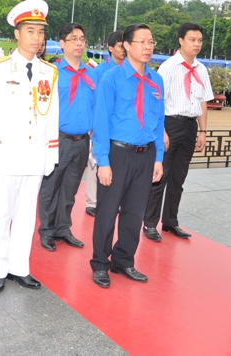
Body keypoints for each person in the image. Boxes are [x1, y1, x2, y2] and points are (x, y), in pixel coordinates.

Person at [0, 0, 59, 293]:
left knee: (27, 215)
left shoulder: (48, 72)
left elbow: (52, 115)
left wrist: (52, 153)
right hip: (7, 155)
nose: (36, 38)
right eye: (30, 31)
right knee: (3, 214)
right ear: (17, 33)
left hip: (35, 156)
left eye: (40, 32)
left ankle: (19, 268)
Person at [90, 24, 164, 289]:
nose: (147, 47)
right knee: (108, 212)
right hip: (118, 153)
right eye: (141, 42)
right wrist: (104, 162)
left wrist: (159, 158)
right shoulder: (112, 78)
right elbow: (101, 123)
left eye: (151, 42)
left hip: (146, 155)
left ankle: (124, 259)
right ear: (126, 46)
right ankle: (100, 263)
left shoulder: (156, 80)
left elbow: (158, 122)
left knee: (135, 213)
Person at [143, 23, 214, 242]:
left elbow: (203, 102)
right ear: (181, 41)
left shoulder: (201, 69)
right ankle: (150, 223)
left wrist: (203, 132)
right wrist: (161, 131)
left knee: (178, 178)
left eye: (200, 40)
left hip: (190, 125)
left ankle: (170, 221)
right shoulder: (168, 67)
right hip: (170, 124)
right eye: (192, 39)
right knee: (160, 176)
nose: (197, 44)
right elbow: (158, 102)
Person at [38, 23, 96, 252]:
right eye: (74, 39)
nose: (79, 43)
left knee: (71, 187)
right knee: (50, 187)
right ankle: (47, 230)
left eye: (82, 38)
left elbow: (95, 106)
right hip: (58, 139)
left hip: (82, 141)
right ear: (62, 44)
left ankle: (63, 227)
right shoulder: (50, 72)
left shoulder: (91, 73)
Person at [84, 30, 125, 217]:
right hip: (100, 125)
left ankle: (112, 200)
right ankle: (92, 202)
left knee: (114, 163)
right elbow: (93, 100)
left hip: (118, 127)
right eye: (120, 46)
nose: (124, 50)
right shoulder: (99, 72)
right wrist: (93, 125)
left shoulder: (128, 70)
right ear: (110, 48)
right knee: (95, 163)